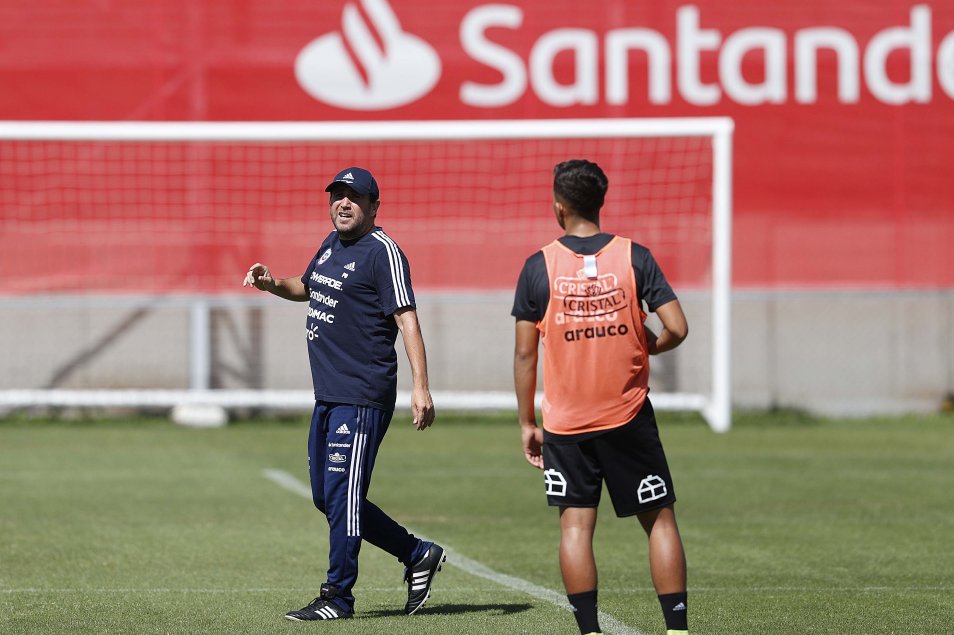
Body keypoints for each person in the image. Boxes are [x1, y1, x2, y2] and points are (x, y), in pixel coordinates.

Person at [243, 166, 445, 621]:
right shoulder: (331, 244)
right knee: (329, 498)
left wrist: (421, 386)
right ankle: (417, 554)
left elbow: (406, 318)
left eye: (354, 197)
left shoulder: (383, 252)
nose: (343, 203)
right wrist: (273, 283)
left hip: (361, 393)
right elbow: (307, 286)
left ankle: (337, 596)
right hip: (329, 395)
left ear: (374, 206)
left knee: (345, 498)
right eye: (337, 195)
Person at [512, 159, 690, 635]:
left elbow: (526, 355)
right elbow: (678, 327)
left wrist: (528, 422)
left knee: (575, 528)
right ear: (599, 203)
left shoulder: (538, 266)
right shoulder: (635, 257)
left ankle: (589, 631)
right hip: (628, 414)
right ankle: (677, 629)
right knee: (659, 521)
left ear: (559, 206)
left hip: (567, 423)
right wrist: (648, 343)